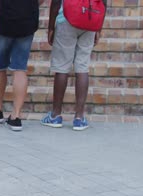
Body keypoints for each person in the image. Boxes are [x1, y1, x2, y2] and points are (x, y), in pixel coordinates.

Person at [41, 0, 107, 131]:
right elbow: (104, 3)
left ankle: (55, 115)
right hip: (90, 18)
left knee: (62, 67)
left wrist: (51, 27)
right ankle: (79, 118)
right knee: (82, 67)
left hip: (66, 18)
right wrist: (99, 27)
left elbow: (55, 2)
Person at [0, 0, 45, 131]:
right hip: (27, 19)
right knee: (20, 68)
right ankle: (15, 116)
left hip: (3, 17)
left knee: (0, 67)